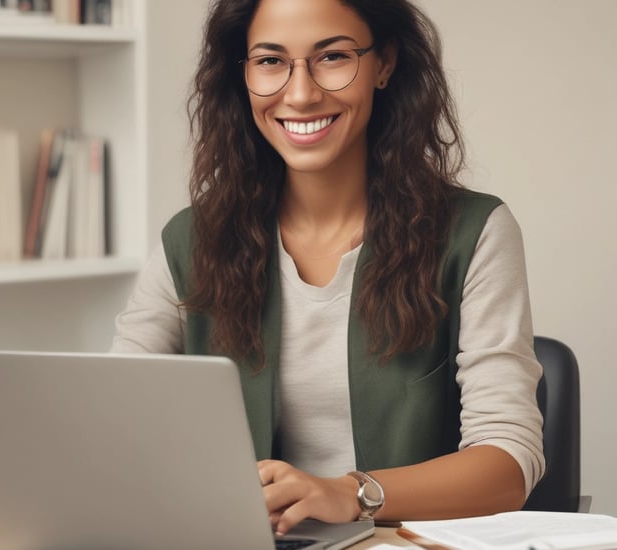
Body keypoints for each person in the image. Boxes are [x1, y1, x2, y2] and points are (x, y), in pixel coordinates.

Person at [111, 0, 545, 537]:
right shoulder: (192, 240)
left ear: (384, 64)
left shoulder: (473, 231)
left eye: (333, 56)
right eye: (270, 61)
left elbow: (507, 463)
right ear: (242, 75)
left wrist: (348, 494)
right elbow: (113, 409)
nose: (300, 93)